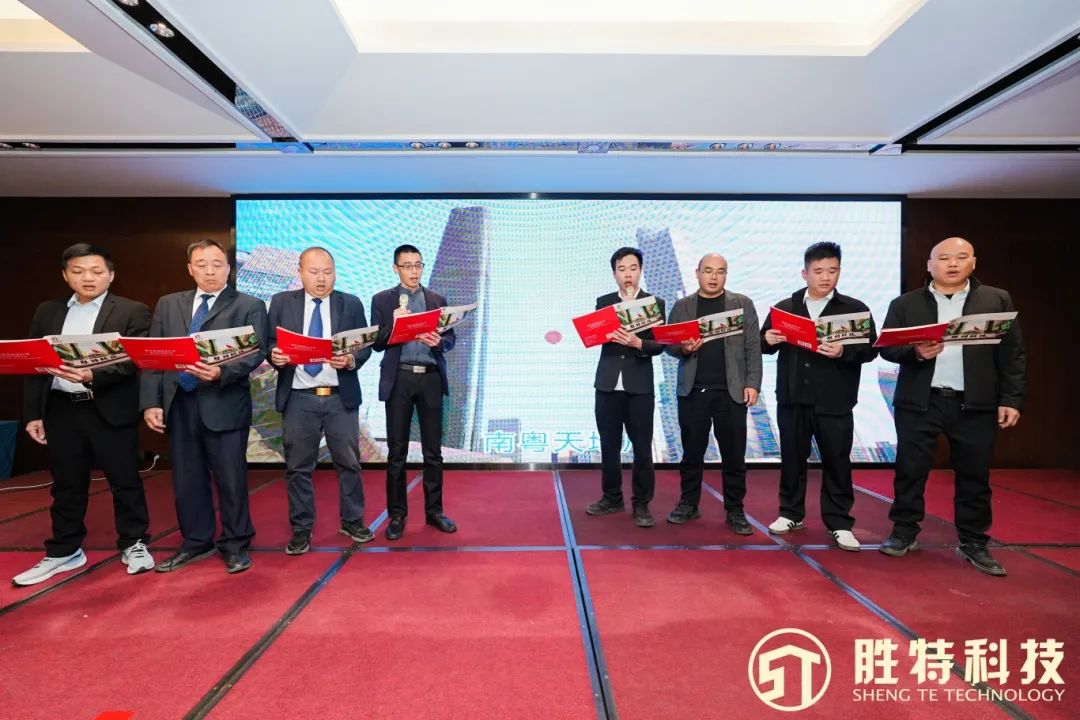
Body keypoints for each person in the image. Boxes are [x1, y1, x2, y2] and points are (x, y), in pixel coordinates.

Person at [878, 237, 1024, 576]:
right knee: (910, 470)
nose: (952, 264)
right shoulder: (905, 303)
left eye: (961, 257)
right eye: (944, 258)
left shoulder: (995, 299)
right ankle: (904, 532)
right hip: (920, 401)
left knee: (975, 475)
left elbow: (1013, 354)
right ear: (930, 265)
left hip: (974, 403)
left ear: (973, 262)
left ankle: (973, 542)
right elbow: (886, 348)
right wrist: (915, 352)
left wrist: (1011, 399)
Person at [13, 243, 154, 586]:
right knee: (66, 483)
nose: (88, 277)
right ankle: (64, 549)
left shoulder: (132, 310)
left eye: (96, 271)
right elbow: (34, 364)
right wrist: (33, 414)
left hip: (109, 406)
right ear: (66, 275)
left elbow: (135, 358)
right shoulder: (48, 311)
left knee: (125, 481)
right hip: (62, 408)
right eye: (78, 271)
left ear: (111, 275)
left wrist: (93, 374)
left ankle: (134, 542)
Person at [141, 238, 268, 574]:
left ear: (228, 268)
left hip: (224, 402)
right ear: (190, 269)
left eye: (217, 264)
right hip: (179, 404)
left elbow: (257, 352)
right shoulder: (169, 304)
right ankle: (196, 541)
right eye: (202, 264)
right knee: (186, 479)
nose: (210, 271)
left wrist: (222, 372)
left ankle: (236, 543)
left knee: (231, 478)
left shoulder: (249, 304)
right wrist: (151, 402)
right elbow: (154, 355)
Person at [760, 242, 877, 551]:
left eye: (832, 271)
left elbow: (870, 349)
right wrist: (767, 338)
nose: (826, 277)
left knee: (837, 461)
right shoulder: (785, 307)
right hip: (793, 397)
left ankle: (839, 522)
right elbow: (763, 344)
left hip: (835, 400)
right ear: (805, 273)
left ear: (839, 272)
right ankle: (790, 513)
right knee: (792, 459)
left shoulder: (854, 309)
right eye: (819, 271)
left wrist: (843, 351)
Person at [267, 247, 374, 555]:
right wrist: (274, 355)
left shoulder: (350, 303)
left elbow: (364, 345)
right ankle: (301, 528)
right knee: (298, 467)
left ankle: (352, 521)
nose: (321, 278)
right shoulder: (281, 302)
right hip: (299, 398)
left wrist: (351, 359)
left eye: (328, 272)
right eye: (314, 272)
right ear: (300, 272)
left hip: (340, 398)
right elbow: (269, 341)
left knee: (349, 463)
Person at [665, 254, 762, 535]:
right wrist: (684, 348)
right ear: (697, 273)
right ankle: (688, 504)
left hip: (731, 392)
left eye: (720, 271)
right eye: (708, 271)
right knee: (691, 454)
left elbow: (753, 347)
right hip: (693, 391)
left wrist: (753, 383)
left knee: (734, 456)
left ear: (726, 275)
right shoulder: (683, 306)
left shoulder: (742, 304)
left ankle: (735, 510)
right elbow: (669, 344)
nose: (713, 276)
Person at [370, 244, 457, 541]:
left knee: (433, 452)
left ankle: (435, 512)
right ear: (395, 268)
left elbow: (450, 339)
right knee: (397, 452)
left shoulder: (437, 300)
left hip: (430, 378)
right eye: (407, 266)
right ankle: (397, 515)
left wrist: (438, 343)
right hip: (400, 379)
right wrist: (394, 324)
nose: (414, 271)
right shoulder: (382, 300)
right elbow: (376, 343)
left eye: (418, 265)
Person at [585, 247, 666, 527]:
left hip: (639, 386)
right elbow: (594, 335)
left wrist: (638, 343)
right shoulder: (604, 302)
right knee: (609, 445)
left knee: (642, 447)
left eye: (632, 268)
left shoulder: (654, 303)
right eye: (622, 269)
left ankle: (641, 504)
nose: (627, 274)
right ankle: (612, 498)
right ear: (614, 274)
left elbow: (660, 344)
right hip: (607, 384)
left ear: (640, 271)